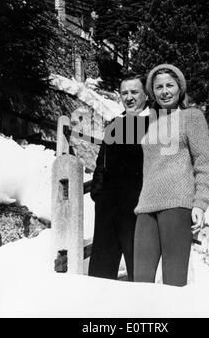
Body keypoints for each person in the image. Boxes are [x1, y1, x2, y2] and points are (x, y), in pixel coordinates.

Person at [133, 64, 209, 286]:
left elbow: (204, 163)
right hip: (146, 206)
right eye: (158, 87)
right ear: (152, 91)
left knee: (174, 282)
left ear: (179, 88)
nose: (164, 91)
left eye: (170, 85)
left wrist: (200, 203)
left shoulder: (192, 117)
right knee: (140, 281)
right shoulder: (148, 121)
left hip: (178, 205)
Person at [88, 74, 149, 281]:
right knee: (100, 272)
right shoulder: (115, 123)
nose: (129, 97)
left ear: (146, 94)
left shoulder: (156, 124)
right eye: (124, 93)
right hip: (108, 209)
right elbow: (101, 161)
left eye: (134, 92)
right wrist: (98, 192)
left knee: (139, 274)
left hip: (137, 209)